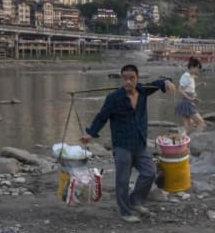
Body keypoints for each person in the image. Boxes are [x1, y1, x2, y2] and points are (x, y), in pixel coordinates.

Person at [80, 64, 175, 223]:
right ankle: (124, 211)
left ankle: (135, 201)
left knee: (149, 172)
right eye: (125, 78)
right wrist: (90, 133)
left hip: (140, 142)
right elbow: (102, 116)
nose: (128, 82)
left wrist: (166, 82)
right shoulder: (114, 97)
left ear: (137, 78)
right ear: (121, 79)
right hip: (122, 144)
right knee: (123, 179)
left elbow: (158, 83)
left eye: (132, 78)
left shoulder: (143, 90)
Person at [174, 57, 205, 134]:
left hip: (188, 102)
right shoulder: (186, 76)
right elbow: (180, 89)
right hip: (187, 102)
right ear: (191, 67)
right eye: (197, 68)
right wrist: (190, 98)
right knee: (200, 122)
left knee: (188, 126)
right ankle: (196, 140)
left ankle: (185, 142)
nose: (198, 70)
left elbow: (191, 90)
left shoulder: (191, 77)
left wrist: (199, 85)